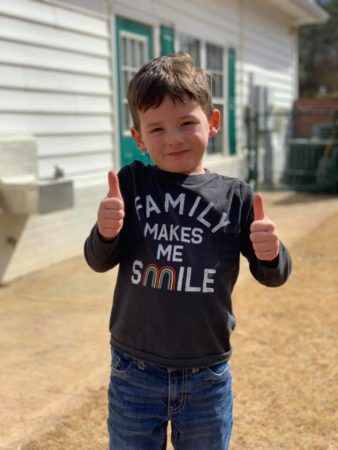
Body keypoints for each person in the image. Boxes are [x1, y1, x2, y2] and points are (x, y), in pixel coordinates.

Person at [84, 53, 292, 450]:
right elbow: (97, 259)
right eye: (157, 129)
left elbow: (274, 275)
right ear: (139, 138)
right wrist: (105, 231)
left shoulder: (236, 197)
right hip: (133, 371)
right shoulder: (132, 184)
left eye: (187, 123)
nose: (174, 138)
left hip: (206, 377)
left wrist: (272, 253)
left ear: (212, 123)